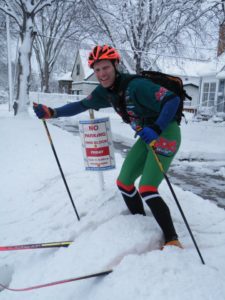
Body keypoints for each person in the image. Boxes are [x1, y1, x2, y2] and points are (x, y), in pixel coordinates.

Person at [33, 45, 183, 249]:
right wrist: (53, 113)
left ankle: (172, 239)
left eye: (106, 67)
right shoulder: (105, 92)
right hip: (146, 136)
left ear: (116, 65)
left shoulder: (137, 86)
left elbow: (172, 100)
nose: (102, 74)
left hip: (165, 134)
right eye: (97, 70)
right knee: (124, 182)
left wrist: (157, 128)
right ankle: (140, 222)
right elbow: (80, 105)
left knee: (147, 187)